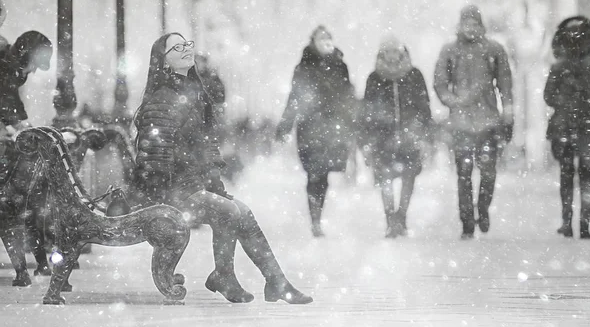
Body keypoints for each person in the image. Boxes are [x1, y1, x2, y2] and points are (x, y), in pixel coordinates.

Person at [134, 32, 312, 304]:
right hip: (170, 193)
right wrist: (174, 191)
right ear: (164, 61)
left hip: (192, 186)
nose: (186, 50)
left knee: (243, 212)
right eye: (177, 47)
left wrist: (212, 180)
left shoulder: (193, 92)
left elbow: (207, 144)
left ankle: (276, 282)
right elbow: (155, 160)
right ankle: (225, 275)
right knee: (228, 211)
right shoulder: (163, 98)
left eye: (188, 45)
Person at [433, 5, 513, 240]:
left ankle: (484, 208)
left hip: (488, 121)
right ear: (460, 25)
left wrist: (507, 110)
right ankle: (467, 220)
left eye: (474, 23)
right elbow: (440, 82)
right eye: (466, 23)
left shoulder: (494, 49)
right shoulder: (450, 50)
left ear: (481, 25)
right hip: (461, 123)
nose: (470, 28)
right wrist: (452, 101)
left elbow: (505, 83)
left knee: (488, 172)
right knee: (464, 173)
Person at [275, 25, 356, 237]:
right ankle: (315, 219)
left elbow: (348, 97)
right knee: (314, 174)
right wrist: (285, 125)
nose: (324, 42)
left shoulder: (340, 66)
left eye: (327, 38)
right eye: (320, 38)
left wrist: (352, 122)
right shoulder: (304, 67)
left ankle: (317, 216)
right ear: (313, 41)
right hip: (310, 126)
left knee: (323, 175)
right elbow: (294, 98)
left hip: (333, 128)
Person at [359, 35, 432, 238]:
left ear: (402, 53)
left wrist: (425, 133)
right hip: (383, 139)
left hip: (410, 137)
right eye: (387, 52)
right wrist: (366, 138)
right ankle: (390, 219)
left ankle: (402, 216)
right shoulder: (374, 78)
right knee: (385, 180)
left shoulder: (414, 75)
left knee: (409, 178)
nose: (392, 56)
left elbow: (424, 107)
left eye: (395, 52)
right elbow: (367, 112)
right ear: (382, 54)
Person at [0, 31, 53, 276]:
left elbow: (11, 100)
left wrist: (22, 124)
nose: (33, 72)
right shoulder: (8, 69)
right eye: (35, 65)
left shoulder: (12, 68)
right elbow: (7, 99)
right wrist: (18, 125)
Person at [544, 16, 590, 239]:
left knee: (567, 175)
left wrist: (565, 102)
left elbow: (548, 96)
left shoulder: (560, 67)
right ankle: (584, 224)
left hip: (565, 126)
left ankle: (567, 221)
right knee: (587, 175)